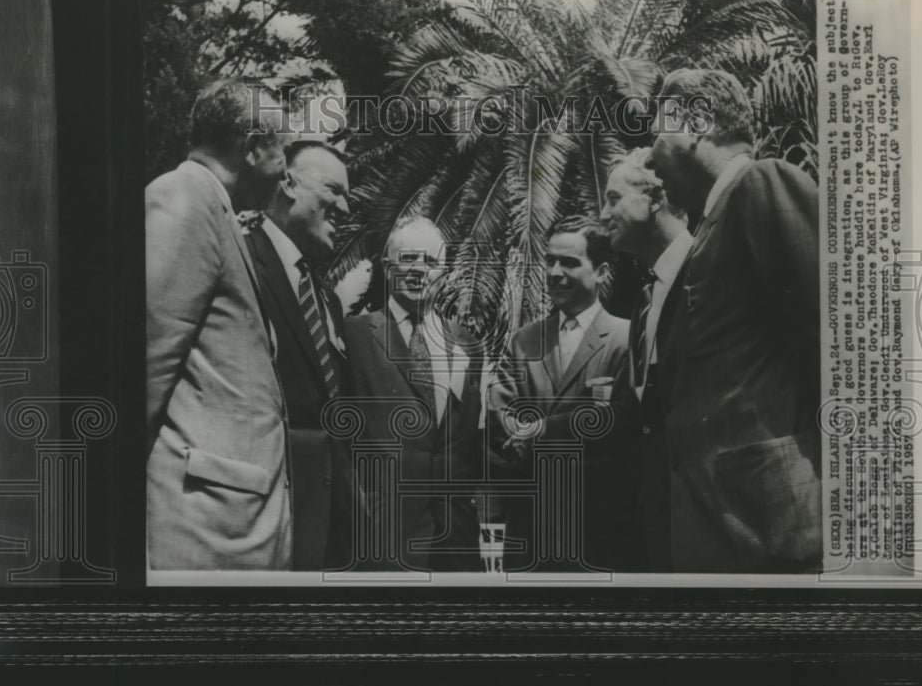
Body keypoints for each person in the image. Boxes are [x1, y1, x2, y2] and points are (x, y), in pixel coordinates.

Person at [648, 68, 822, 573]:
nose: (648, 155)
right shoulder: (711, 222)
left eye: (656, 133)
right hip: (727, 530)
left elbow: (832, 345)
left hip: (774, 528)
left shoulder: (762, 183)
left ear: (696, 123)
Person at [146, 77, 291, 570]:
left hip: (229, 525)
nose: (285, 169)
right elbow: (145, 363)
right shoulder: (183, 197)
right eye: (282, 150)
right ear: (251, 149)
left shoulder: (213, 206)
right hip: (201, 530)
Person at [488, 215, 634, 572]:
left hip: (598, 531)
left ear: (601, 271)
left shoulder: (627, 339)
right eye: (550, 260)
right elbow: (499, 415)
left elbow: (622, 424)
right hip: (531, 530)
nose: (554, 273)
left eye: (569, 262)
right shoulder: (524, 340)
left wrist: (539, 431)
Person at [343, 217, 486, 572]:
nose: (419, 270)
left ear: (446, 273)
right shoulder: (353, 336)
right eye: (408, 259)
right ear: (388, 267)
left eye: (431, 262)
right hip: (383, 537)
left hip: (456, 542)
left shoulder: (466, 344)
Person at [241, 140, 354, 570]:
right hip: (269, 522)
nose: (345, 209)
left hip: (330, 530)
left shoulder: (327, 300)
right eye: (334, 190)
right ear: (287, 183)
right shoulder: (243, 262)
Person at [600, 147, 691, 571]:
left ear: (654, 198)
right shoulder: (645, 299)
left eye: (613, 198)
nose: (602, 215)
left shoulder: (709, 270)